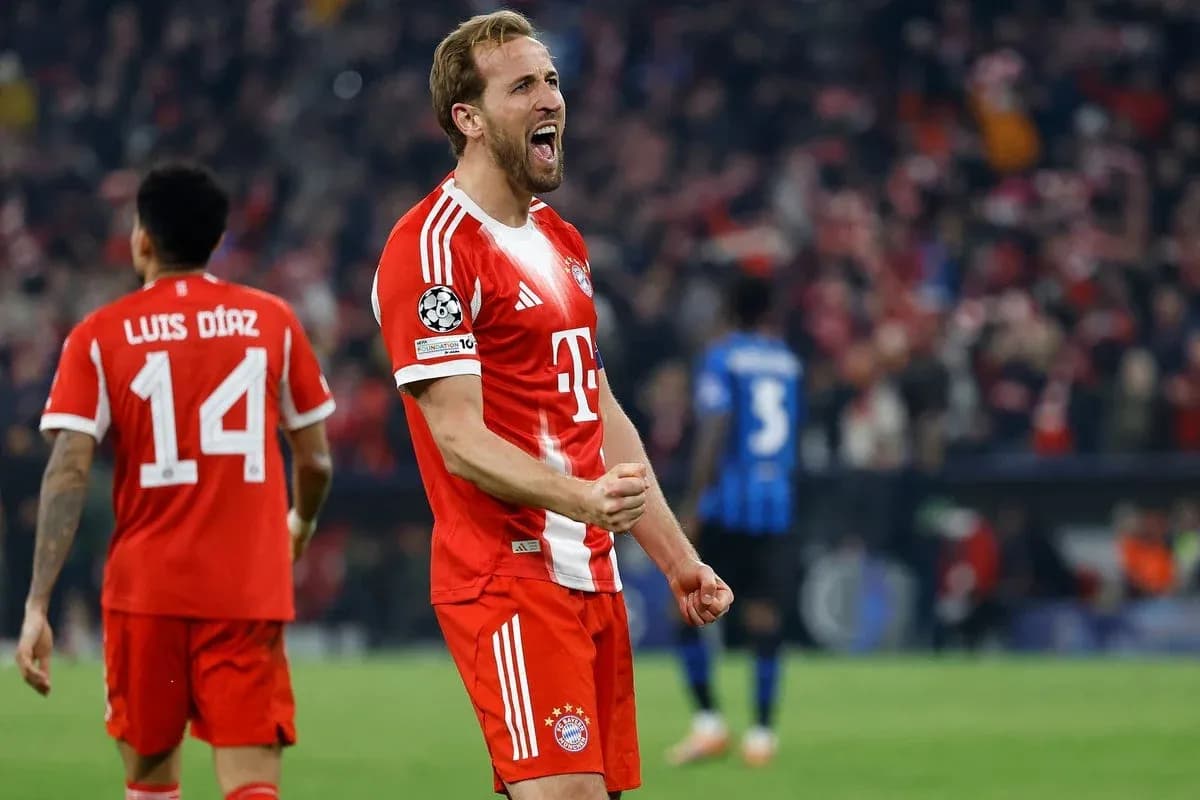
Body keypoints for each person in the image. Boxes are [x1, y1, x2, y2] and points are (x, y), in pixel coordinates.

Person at [371, 10, 733, 799]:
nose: (552, 100)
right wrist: (582, 499)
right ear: (467, 118)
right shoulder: (431, 249)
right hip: (506, 573)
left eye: (554, 81)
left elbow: (598, 409)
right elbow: (458, 438)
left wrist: (676, 562)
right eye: (524, 85)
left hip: (590, 578)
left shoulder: (561, 240)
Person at [14, 163, 336, 800]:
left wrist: (37, 604)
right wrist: (299, 521)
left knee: (151, 786)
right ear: (217, 243)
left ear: (142, 239)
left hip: (145, 597)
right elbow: (318, 462)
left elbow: (69, 469)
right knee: (251, 787)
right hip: (245, 592)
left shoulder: (98, 335)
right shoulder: (272, 321)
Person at [668, 275, 804, 768]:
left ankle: (709, 725)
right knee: (765, 616)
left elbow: (715, 428)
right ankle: (762, 735)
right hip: (776, 504)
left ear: (727, 306)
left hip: (727, 504)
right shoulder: (787, 361)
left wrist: (692, 504)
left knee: (684, 607)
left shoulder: (722, 356)